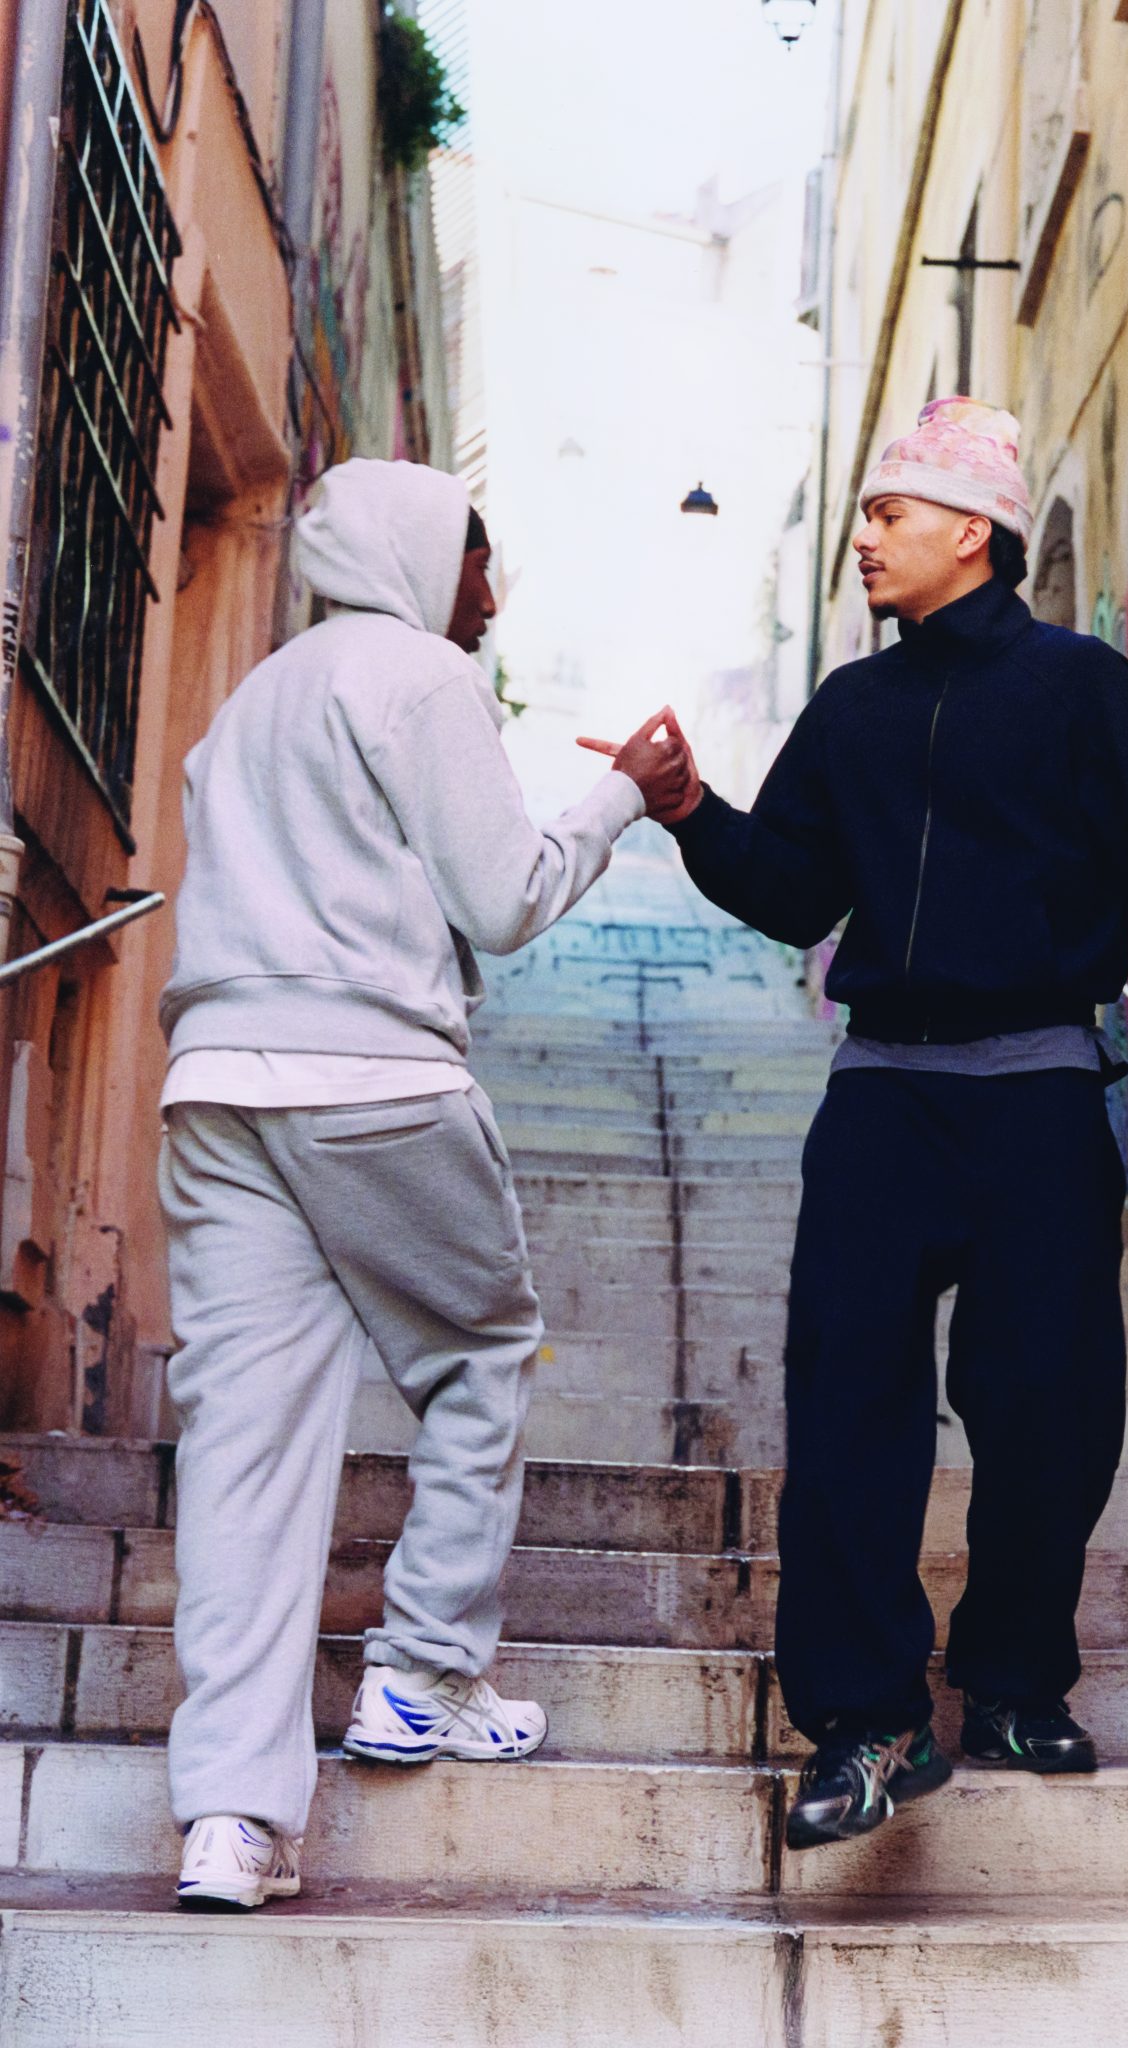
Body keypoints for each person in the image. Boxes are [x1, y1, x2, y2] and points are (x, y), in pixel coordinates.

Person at [584, 398, 1128, 1853]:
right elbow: (793, 895)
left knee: (1051, 1406)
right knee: (849, 1403)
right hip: (884, 1097)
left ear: (974, 531)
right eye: (868, 513)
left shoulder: (1082, 687)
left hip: (1040, 1097)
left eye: (890, 512)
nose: (866, 536)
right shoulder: (852, 708)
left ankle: (1013, 1682)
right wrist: (690, 808)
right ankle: (869, 1721)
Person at [160, 457, 693, 1909]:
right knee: (478, 1351)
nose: (491, 597)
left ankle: (229, 1819)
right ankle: (423, 1672)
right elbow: (506, 897)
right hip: (373, 1079)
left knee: (245, 1449)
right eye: (476, 560)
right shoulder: (416, 678)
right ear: (413, 556)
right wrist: (624, 799)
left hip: (217, 1087)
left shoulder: (253, 699)